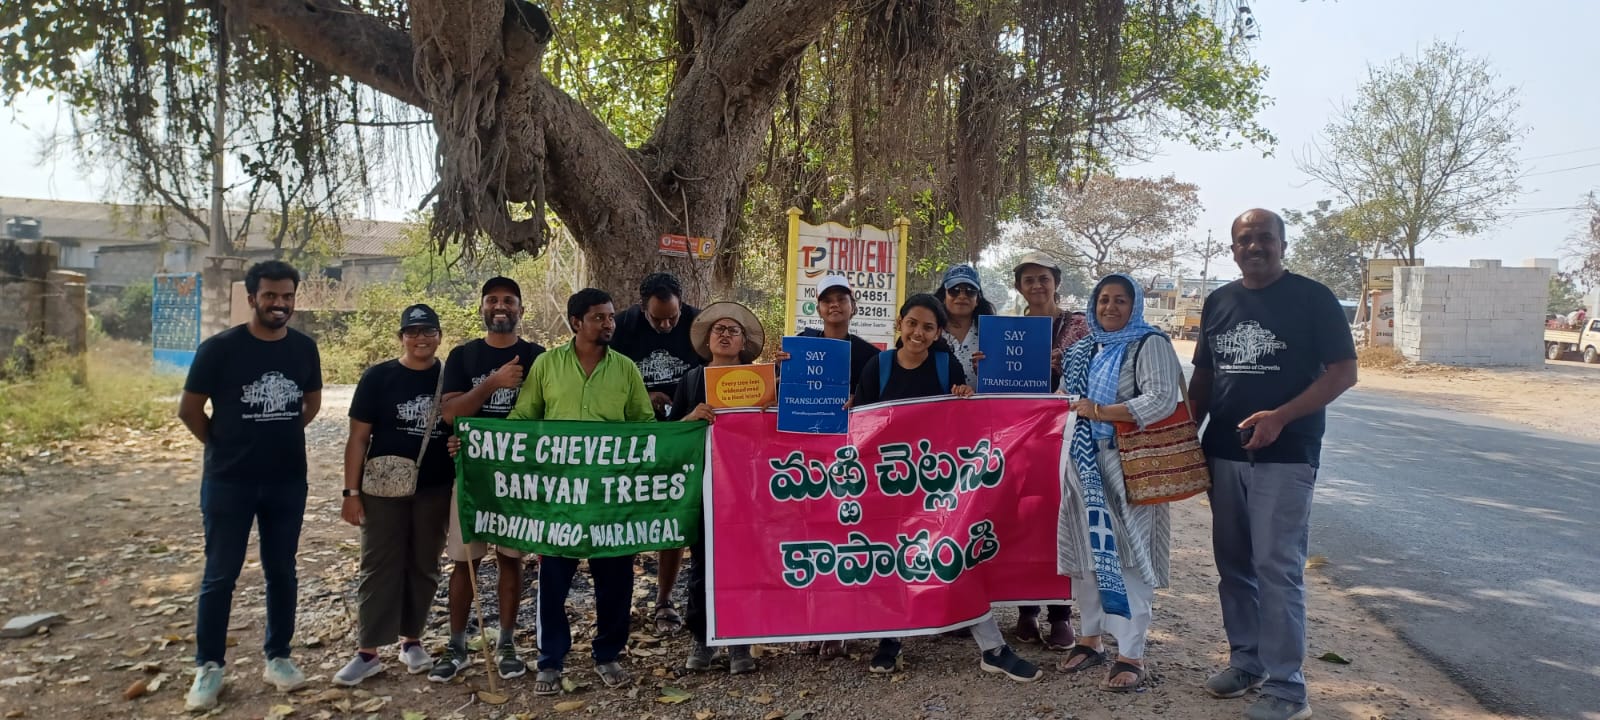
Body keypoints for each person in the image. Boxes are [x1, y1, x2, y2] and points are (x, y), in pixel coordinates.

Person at [1193, 209, 1357, 720]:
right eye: (1245, 238)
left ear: (1283, 243)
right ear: (1233, 248)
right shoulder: (1219, 301)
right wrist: (1186, 439)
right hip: (1223, 451)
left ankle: (1288, 689)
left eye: (1265, 237)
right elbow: (1202, 378)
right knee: (1233, 565)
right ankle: (1247, 663)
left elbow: (1344, 373)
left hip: (1286, 455)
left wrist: (1282, 417)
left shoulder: (1313, 298)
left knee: (1276, 568)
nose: (1255, 245)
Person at [852, 294, 1042, 683]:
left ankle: (993, 648)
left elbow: (966, 417)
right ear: (900, 324)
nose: (918, 333)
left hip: (941, 486)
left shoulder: (944, 364)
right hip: (889, 484)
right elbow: (860, 424)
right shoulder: (879, 365)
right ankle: (891, 641)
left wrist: (963, 397)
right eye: (912, 324)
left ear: (938, 332)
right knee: (893, 561)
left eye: (927, 327)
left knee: (954, 557)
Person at [178, 261, 322, 711]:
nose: (279, 304)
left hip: (286, 481)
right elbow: (190, 410)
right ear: (251, 298)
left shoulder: (304, 348)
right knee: (221, 574)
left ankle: (278, 657)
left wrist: (275, 436)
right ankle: (209, 667)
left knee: (282, 570)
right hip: (229, 482)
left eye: (287, 297)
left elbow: (311, 403)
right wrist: (223, 445)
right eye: (270, 296)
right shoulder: (219, 349)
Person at [509, 288, 656, 694]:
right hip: (561, 496)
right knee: (553, 579)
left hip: (612, 497)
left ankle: (607, 654)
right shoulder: (547, 365)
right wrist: (480, 439)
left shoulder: (626, 369)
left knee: (617, 580)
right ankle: (550, 660)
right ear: (576, 322)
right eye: (599, 318)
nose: (608, 323)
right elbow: (524, 417)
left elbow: (643, 425)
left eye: (610, 317)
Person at [1056, 274, 1181, 692]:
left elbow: (1161, 399)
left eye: (1121, 300)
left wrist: (1101, 411)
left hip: (1129, 466)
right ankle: (1089, 639)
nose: (1111, 307)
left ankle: (1131, 653)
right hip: (1082, 465)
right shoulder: (1081, 350)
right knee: (1087, 555)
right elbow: (1063, 402)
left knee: (1128, 558)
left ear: (1135, 305)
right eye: (1104, 299)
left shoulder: (1150, 343)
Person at [432, 276, 546, 681]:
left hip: (518, 478)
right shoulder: (463, 356)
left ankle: (508, 643)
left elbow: (547, 418)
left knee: (511, 561)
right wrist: (494, 382)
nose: (501, 307)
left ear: (520, 309)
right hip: (472, 474)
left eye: (509, 301)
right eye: (493, 300)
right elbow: (450, 414)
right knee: (465, 562)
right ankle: (457, 644)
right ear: (482, 308)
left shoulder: (536, 356)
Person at [334, 304, 453, 686]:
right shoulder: (379, 377)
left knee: (424, 564)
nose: (421, 338)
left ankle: (412, 641)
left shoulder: (450, 376)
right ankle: (368, 651)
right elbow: (358, 438)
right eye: (413, 331)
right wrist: (351, 492)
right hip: (383, 489)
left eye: (428, 331)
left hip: (435, 488)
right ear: (401, 337)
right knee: (378, 564)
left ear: (439, 336)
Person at [671, 302, 765, 676]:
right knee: (702, 564)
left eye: (733, 330)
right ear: (708, 340)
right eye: (718, 329)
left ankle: (741, 643)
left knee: (743, 564)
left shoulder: (761, 382)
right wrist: (690, 418)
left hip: (747, 489)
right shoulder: (691, 382)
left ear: (744, 342)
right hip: (703, 486)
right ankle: (704, 638)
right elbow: (671, 436)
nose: (725, 334)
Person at [611, 272, 702, 634]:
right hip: (634, 433)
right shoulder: (619, 328)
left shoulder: (700, 324)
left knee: (673, 515)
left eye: (672, 317)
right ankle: (621, 603)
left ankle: (664, 601)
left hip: (682, 432)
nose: (665, 324)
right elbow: (605, 375)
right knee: (627, 513)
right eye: (657, 318)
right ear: (641, 308)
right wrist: (642, 397)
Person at [1010, 251, 1076, 649]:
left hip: (1066, 437)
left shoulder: (1079, 326)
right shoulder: (1007, 330)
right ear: (1019, 287)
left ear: (1056, 282)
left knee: (1060, 519)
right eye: (1029, 280)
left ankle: (1061, 614)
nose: (1037, 286)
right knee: (1024, 521)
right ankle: (1025, 610)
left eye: (1044, 278)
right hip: (1023, 438)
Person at [936, 264, 997, 381]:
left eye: (970, 291)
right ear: (944, 296)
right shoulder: (930, 333)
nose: (962, 296)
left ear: (977, 300)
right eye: (955, 290)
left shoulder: (993, 336)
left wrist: (989, 372)